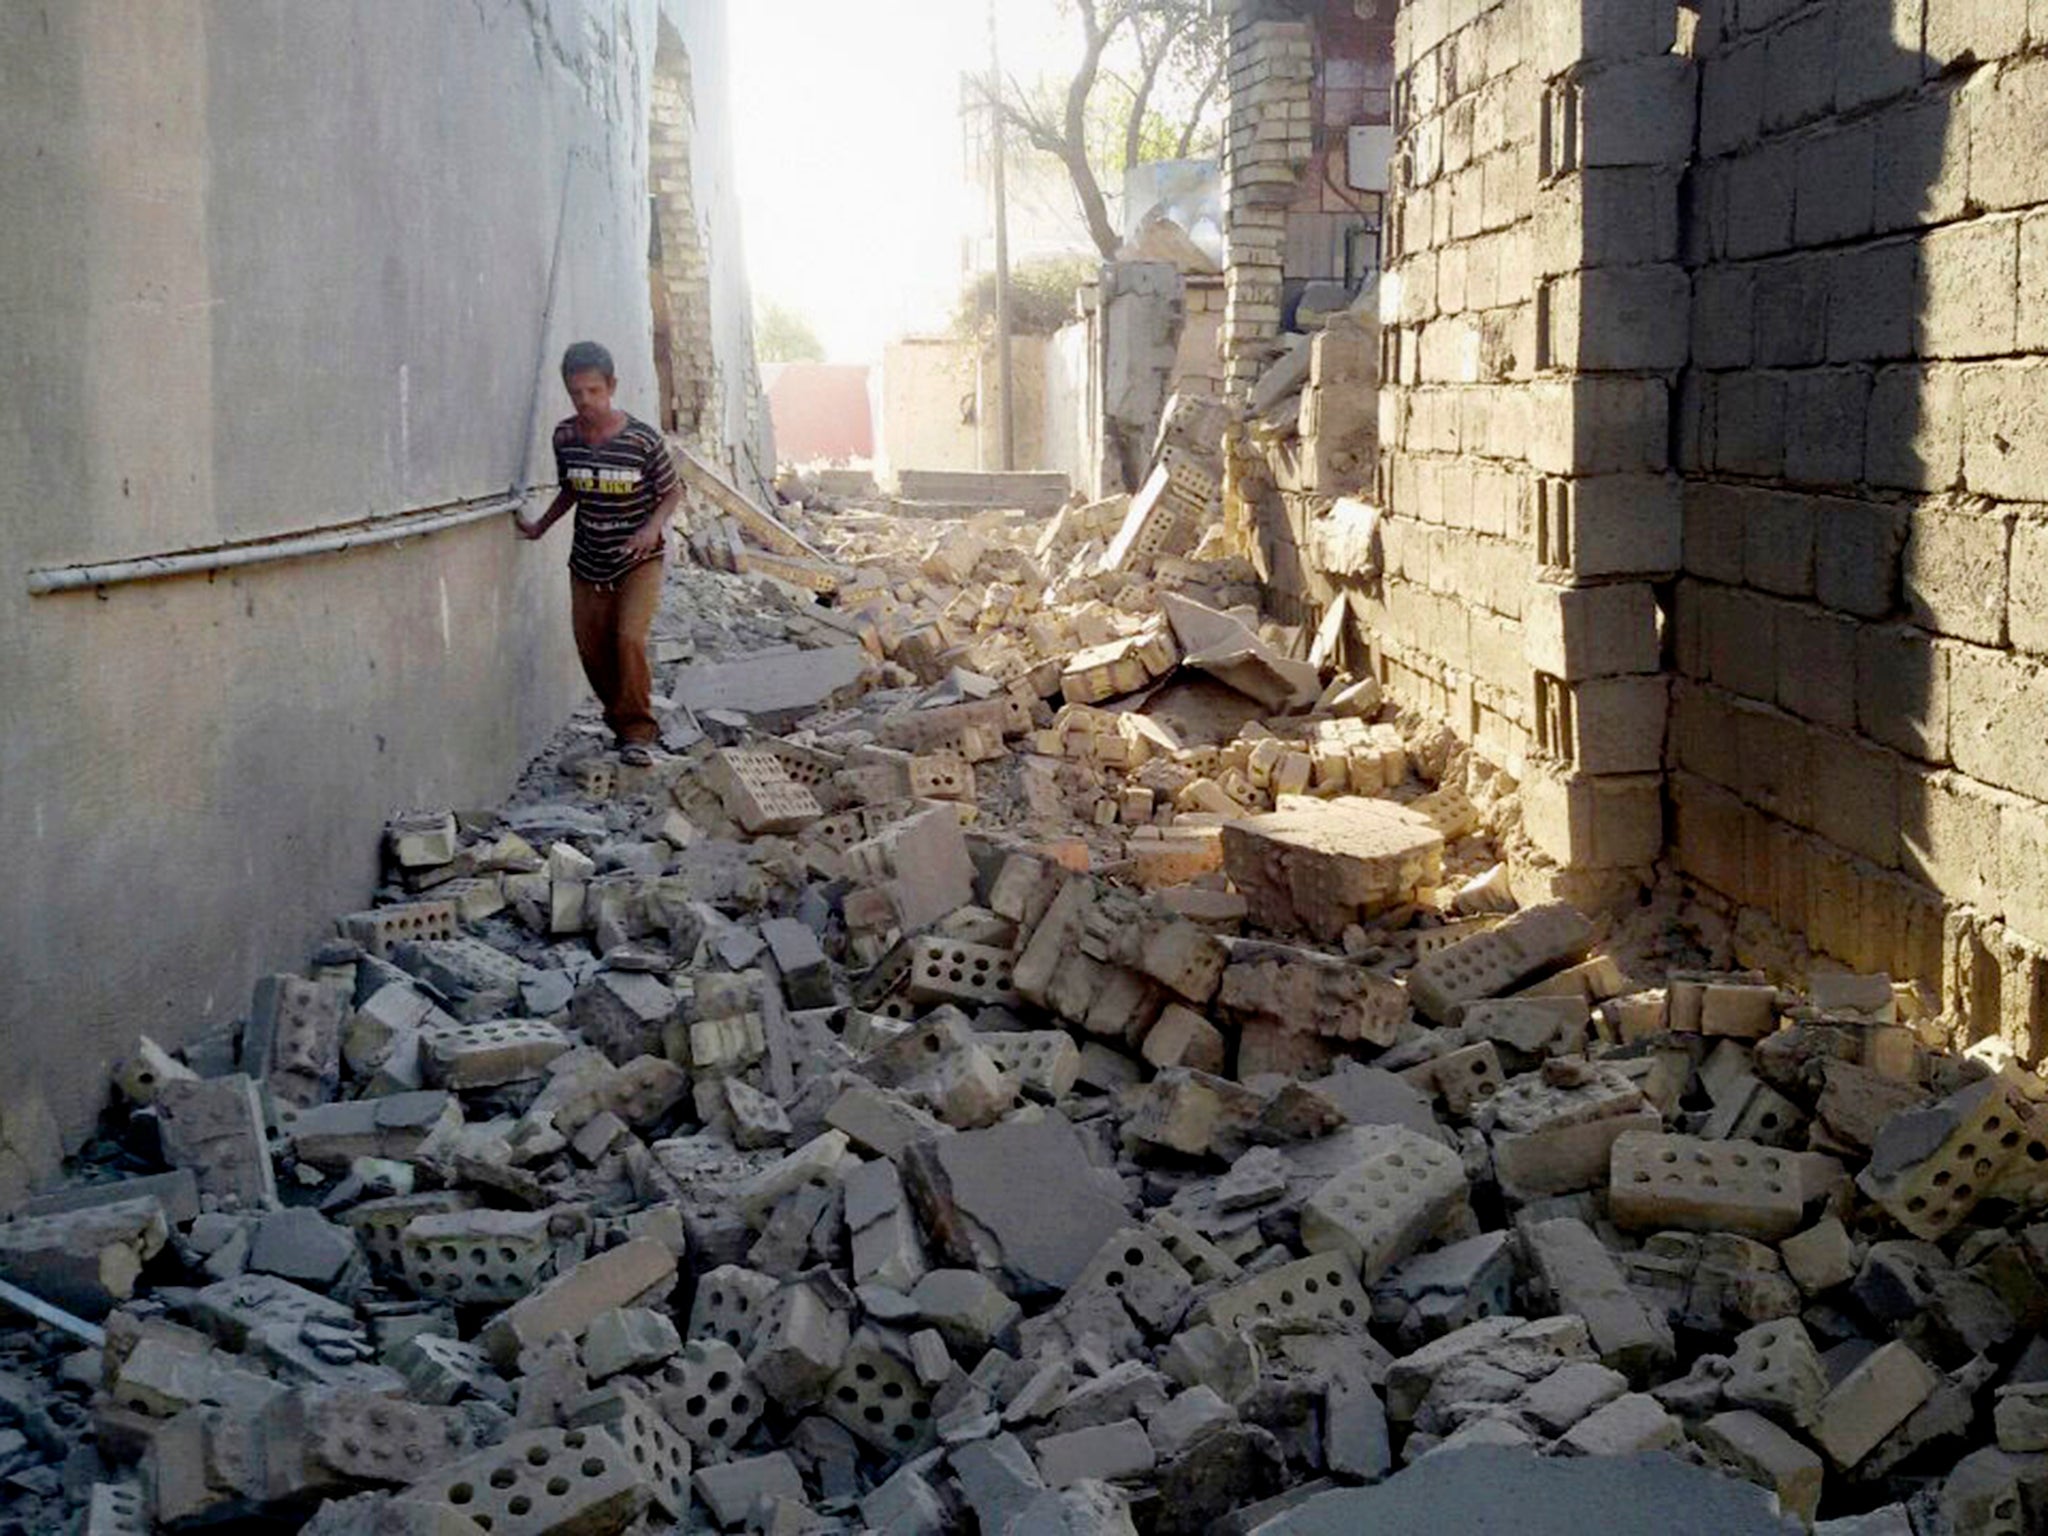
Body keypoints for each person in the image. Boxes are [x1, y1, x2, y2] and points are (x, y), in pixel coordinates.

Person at [516, 341, 681, 767]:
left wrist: (650, 529)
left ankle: (638, 732)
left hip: (638, 559)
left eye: (593, 391)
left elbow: (672, 491)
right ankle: (619, 722)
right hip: (588, 557)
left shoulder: (642, 440)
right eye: (576, 393)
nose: (585, 401)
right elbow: (570, 487)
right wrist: (540, 526)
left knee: (628, 638)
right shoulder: (565, 437)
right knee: (592, 647)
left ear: (611, 386)